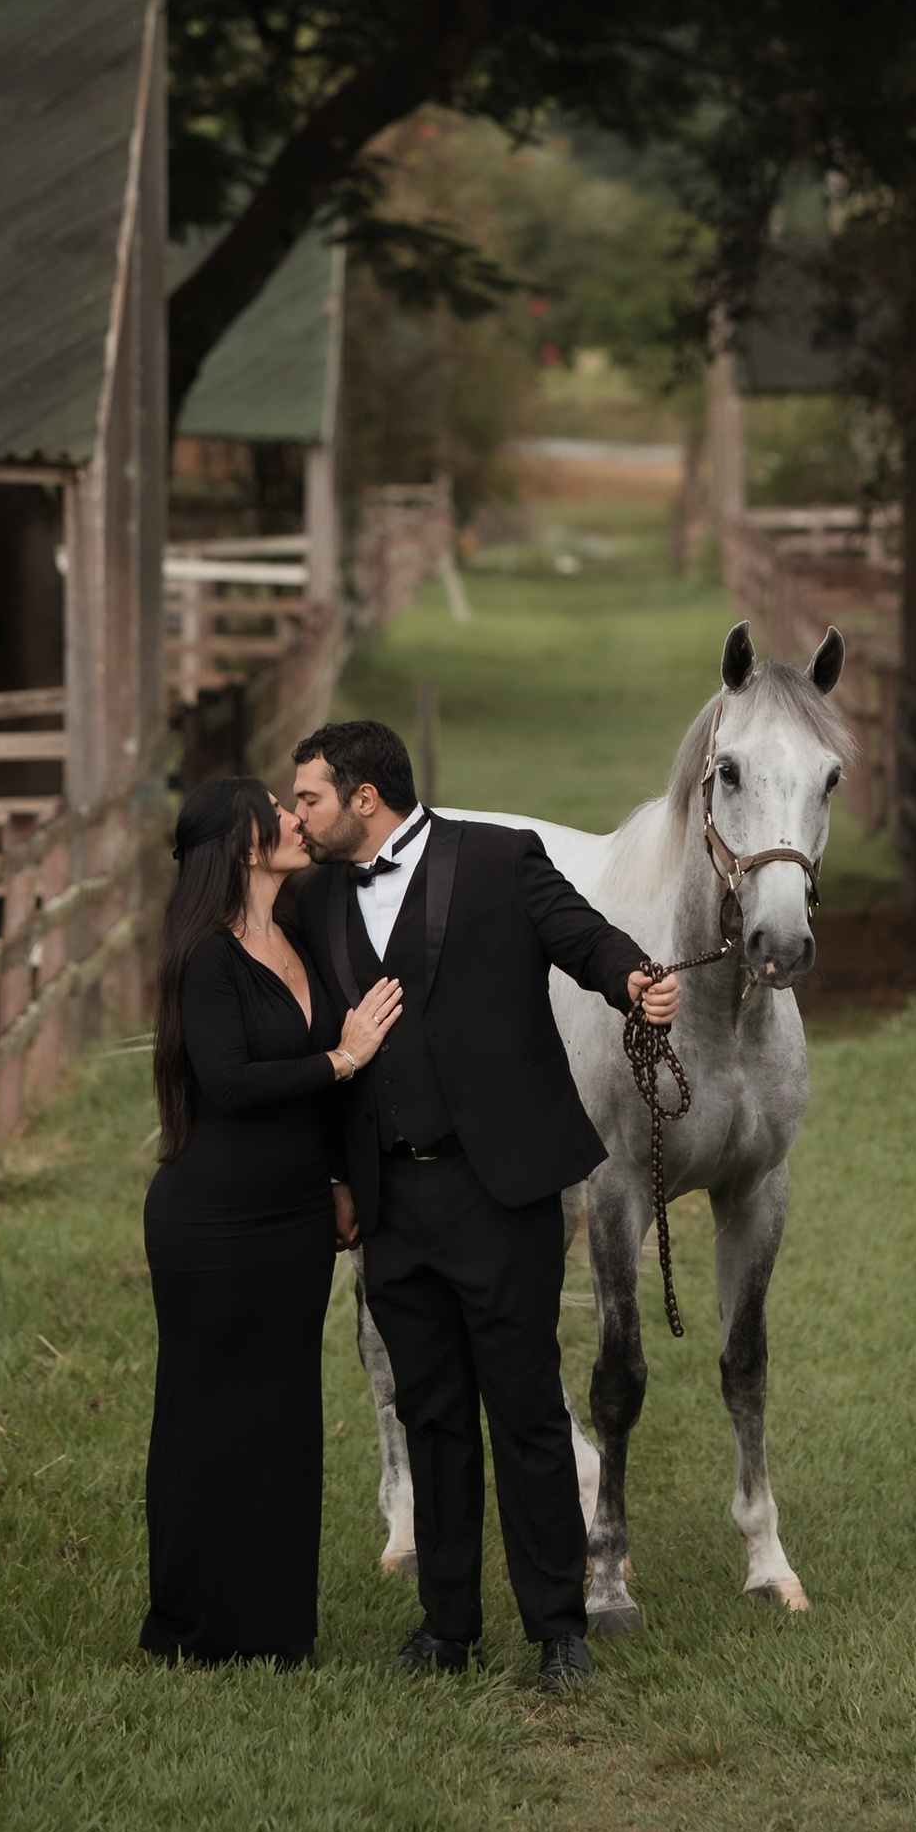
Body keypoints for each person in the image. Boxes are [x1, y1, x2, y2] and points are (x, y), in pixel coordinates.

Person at [284, 716, 680, 1692]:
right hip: (388, 1198)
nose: (296, 816)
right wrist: (336, 1180)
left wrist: (634, 980)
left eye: (308, 798)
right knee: (432, 1416)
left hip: (499, 1189)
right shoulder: (313, 900)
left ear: (362, 797)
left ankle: (557, 1632)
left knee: (523, 1410)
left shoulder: (501, 860)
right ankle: (446, 1628)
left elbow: (579, 935)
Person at [140, 773, 402, 1665]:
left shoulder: (293, 936)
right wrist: (344, 1056)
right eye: (279, 812)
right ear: (245, 845)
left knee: (282, 1418)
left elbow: (303, 1096)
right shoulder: (205, 957)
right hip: (212, 1225)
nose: (296, 819)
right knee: (207, 1418)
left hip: (294, 1219)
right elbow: (230, 1082)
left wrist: (335, 1177)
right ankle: (192, 1626)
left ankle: (275, 1628)